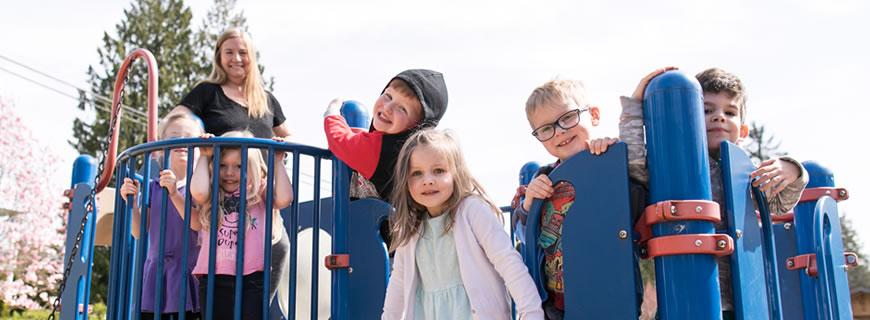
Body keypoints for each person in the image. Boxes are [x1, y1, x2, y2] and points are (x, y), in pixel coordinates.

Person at [619, 67, 809, 318]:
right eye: (707, 110)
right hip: (685, 298)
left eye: (729, 112)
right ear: (689, 117)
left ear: (742, 131)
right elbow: (633, 160)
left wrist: (793, 170)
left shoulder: (746, 174)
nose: (719, 117)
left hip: (744, 302)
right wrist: (634, 103)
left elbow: (780, 204)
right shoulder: (670, 164)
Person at [171, 27, 291, 305]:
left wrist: (284, 148)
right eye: (229, 52)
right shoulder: (207, 93)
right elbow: (179, 117)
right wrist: (192, 137)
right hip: (223, 196)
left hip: (259, 195)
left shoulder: (266, 98)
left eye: (243, 52)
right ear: (219, 57)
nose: (236, 58)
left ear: (252, 57)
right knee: (224, 280)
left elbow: (286, 134)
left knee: (274, 253)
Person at [512, 79, 643, 320]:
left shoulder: (610, 164)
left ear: (593, 115)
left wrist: (612, 159)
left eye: (568, 117)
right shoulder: (544, 180)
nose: (559, 131)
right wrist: (530, 202)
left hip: (609, 294)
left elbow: (637, 188)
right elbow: (522, 235)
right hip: (558, 307)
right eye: (545, 129)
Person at [382, 129, 543, 320]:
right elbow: (398, 283)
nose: (428, 181)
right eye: (417, 173)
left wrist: (531, 312)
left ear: (456, 173)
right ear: (405, 181)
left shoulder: (472, 211)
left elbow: (508, 262)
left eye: (439, 170)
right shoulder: (411, 226)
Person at [186, 131, 294, 320]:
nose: (229, 172)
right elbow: (198, 192)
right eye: (222, 165)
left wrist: (277, 161)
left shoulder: (259, 191)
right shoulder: (213, 193)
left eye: (239, 166)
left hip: (252, 278)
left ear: (252, 168)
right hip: (213, 278)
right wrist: (204, 156)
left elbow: (285, 198)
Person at [119, 112, 204, 319]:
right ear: (159, 151)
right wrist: (132, 204)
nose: (182, 142)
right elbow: (139, 231)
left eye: (189, 137)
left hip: (188, 272)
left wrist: (174, 193)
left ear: (201, 151)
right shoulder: (152, 187)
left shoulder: (200, 188)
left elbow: (196, 223)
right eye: (174, 138)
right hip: (158, 275)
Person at [323, 69, 448, 200]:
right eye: (388, 96)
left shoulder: (383, 148)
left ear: (416, 127)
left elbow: (341, 141)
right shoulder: (418, 153)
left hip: (373, 219)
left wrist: (332, 114)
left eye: (402, 109)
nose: (388, 108)